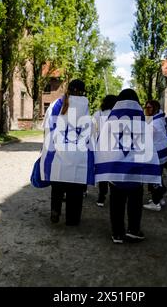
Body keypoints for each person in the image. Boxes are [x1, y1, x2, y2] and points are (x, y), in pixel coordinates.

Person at [95, 89, 162, 244]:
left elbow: (102, 143)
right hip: (136, 169)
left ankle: (117, 233)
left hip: (116, 169)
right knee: (135, 200)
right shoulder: (141, 121)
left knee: (116, 201)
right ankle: (133, 229)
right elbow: (148, 145)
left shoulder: (111, 121)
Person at [40, 79, 94, 226]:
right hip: (78, 155)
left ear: (69, 89)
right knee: (75, 188)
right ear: (82, 91)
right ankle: (72, 218)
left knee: (57, 186)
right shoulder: (85, 106)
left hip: (58, 153)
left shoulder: (55, 104)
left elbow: (47, 127)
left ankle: (55, 211)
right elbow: (89, 133)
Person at [143, 100, 167, 212]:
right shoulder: (160, 117)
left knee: (153, 176)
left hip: (159, 153)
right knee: (158, 175)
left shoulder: (154, 122)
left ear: (155, 109)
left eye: (149, 108)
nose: (147, 110)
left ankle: (156, 202)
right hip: (166, 150)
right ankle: (160, 198)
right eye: (146, 107)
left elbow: (147, 138)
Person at [92, 94, 118, 207]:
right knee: (113, 173)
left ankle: (101, 197)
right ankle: (114, 197)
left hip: (101, 147)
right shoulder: (119, 115)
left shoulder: (98, 114)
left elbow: (92, 129)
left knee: (102, 172)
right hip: (115, 148)